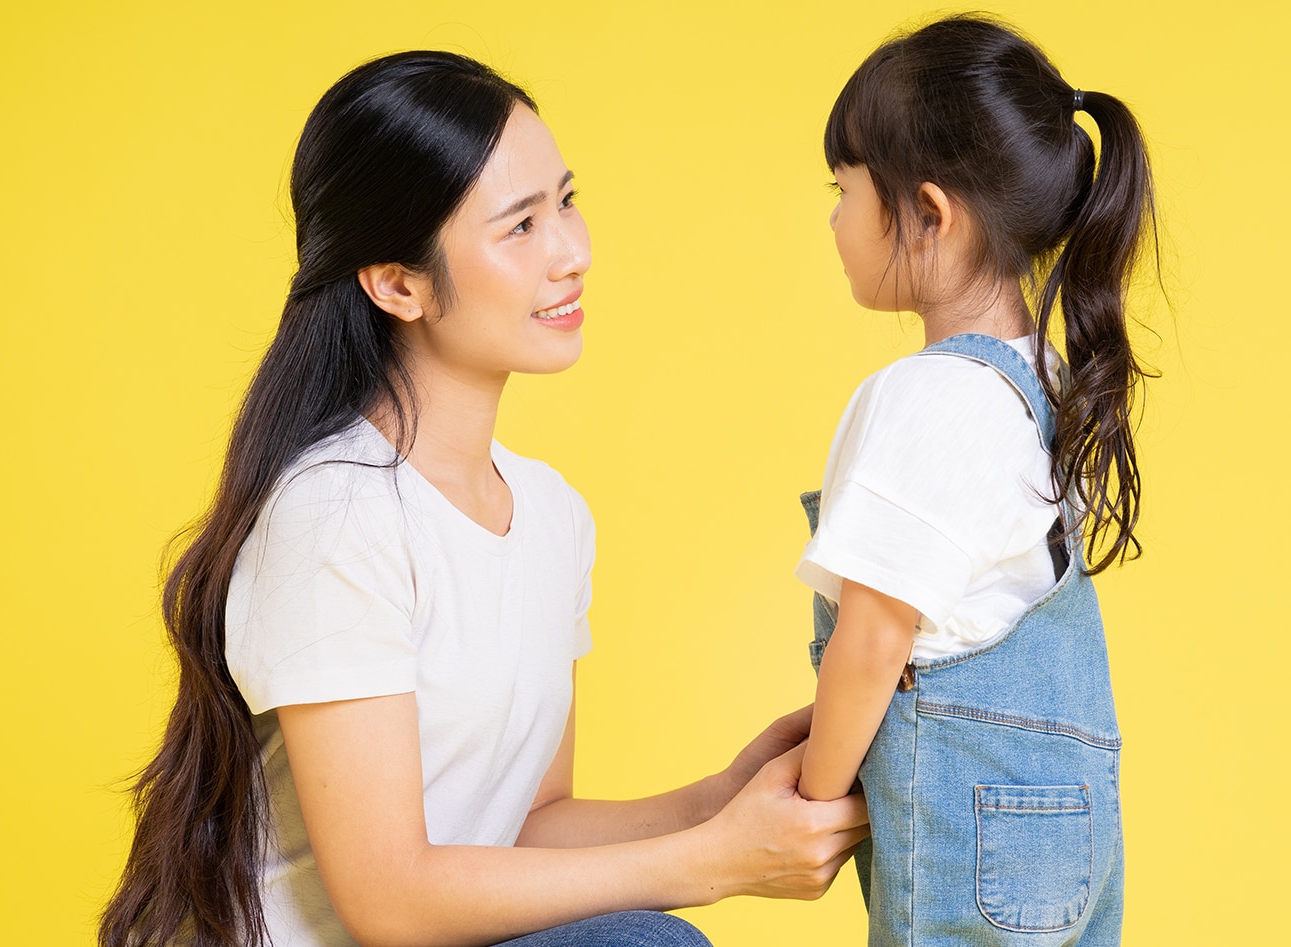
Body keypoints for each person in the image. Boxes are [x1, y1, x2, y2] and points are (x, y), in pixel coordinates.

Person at [100, 51, 868, 947]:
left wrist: (720, 799)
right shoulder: (334, 519)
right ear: (398, 283)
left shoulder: (551, 515)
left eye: (568, 202)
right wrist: (712, 863)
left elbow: (529, 826)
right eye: (520, 226)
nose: (572, 253)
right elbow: (388, 899)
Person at [793, 15, 1155, 946]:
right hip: (1069, 835)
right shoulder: (1041, 380)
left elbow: (873, 641)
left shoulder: (931, 396)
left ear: (928, 212)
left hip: (977, 843)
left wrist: (810, 800)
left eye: (842, 190)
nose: (832, 220)